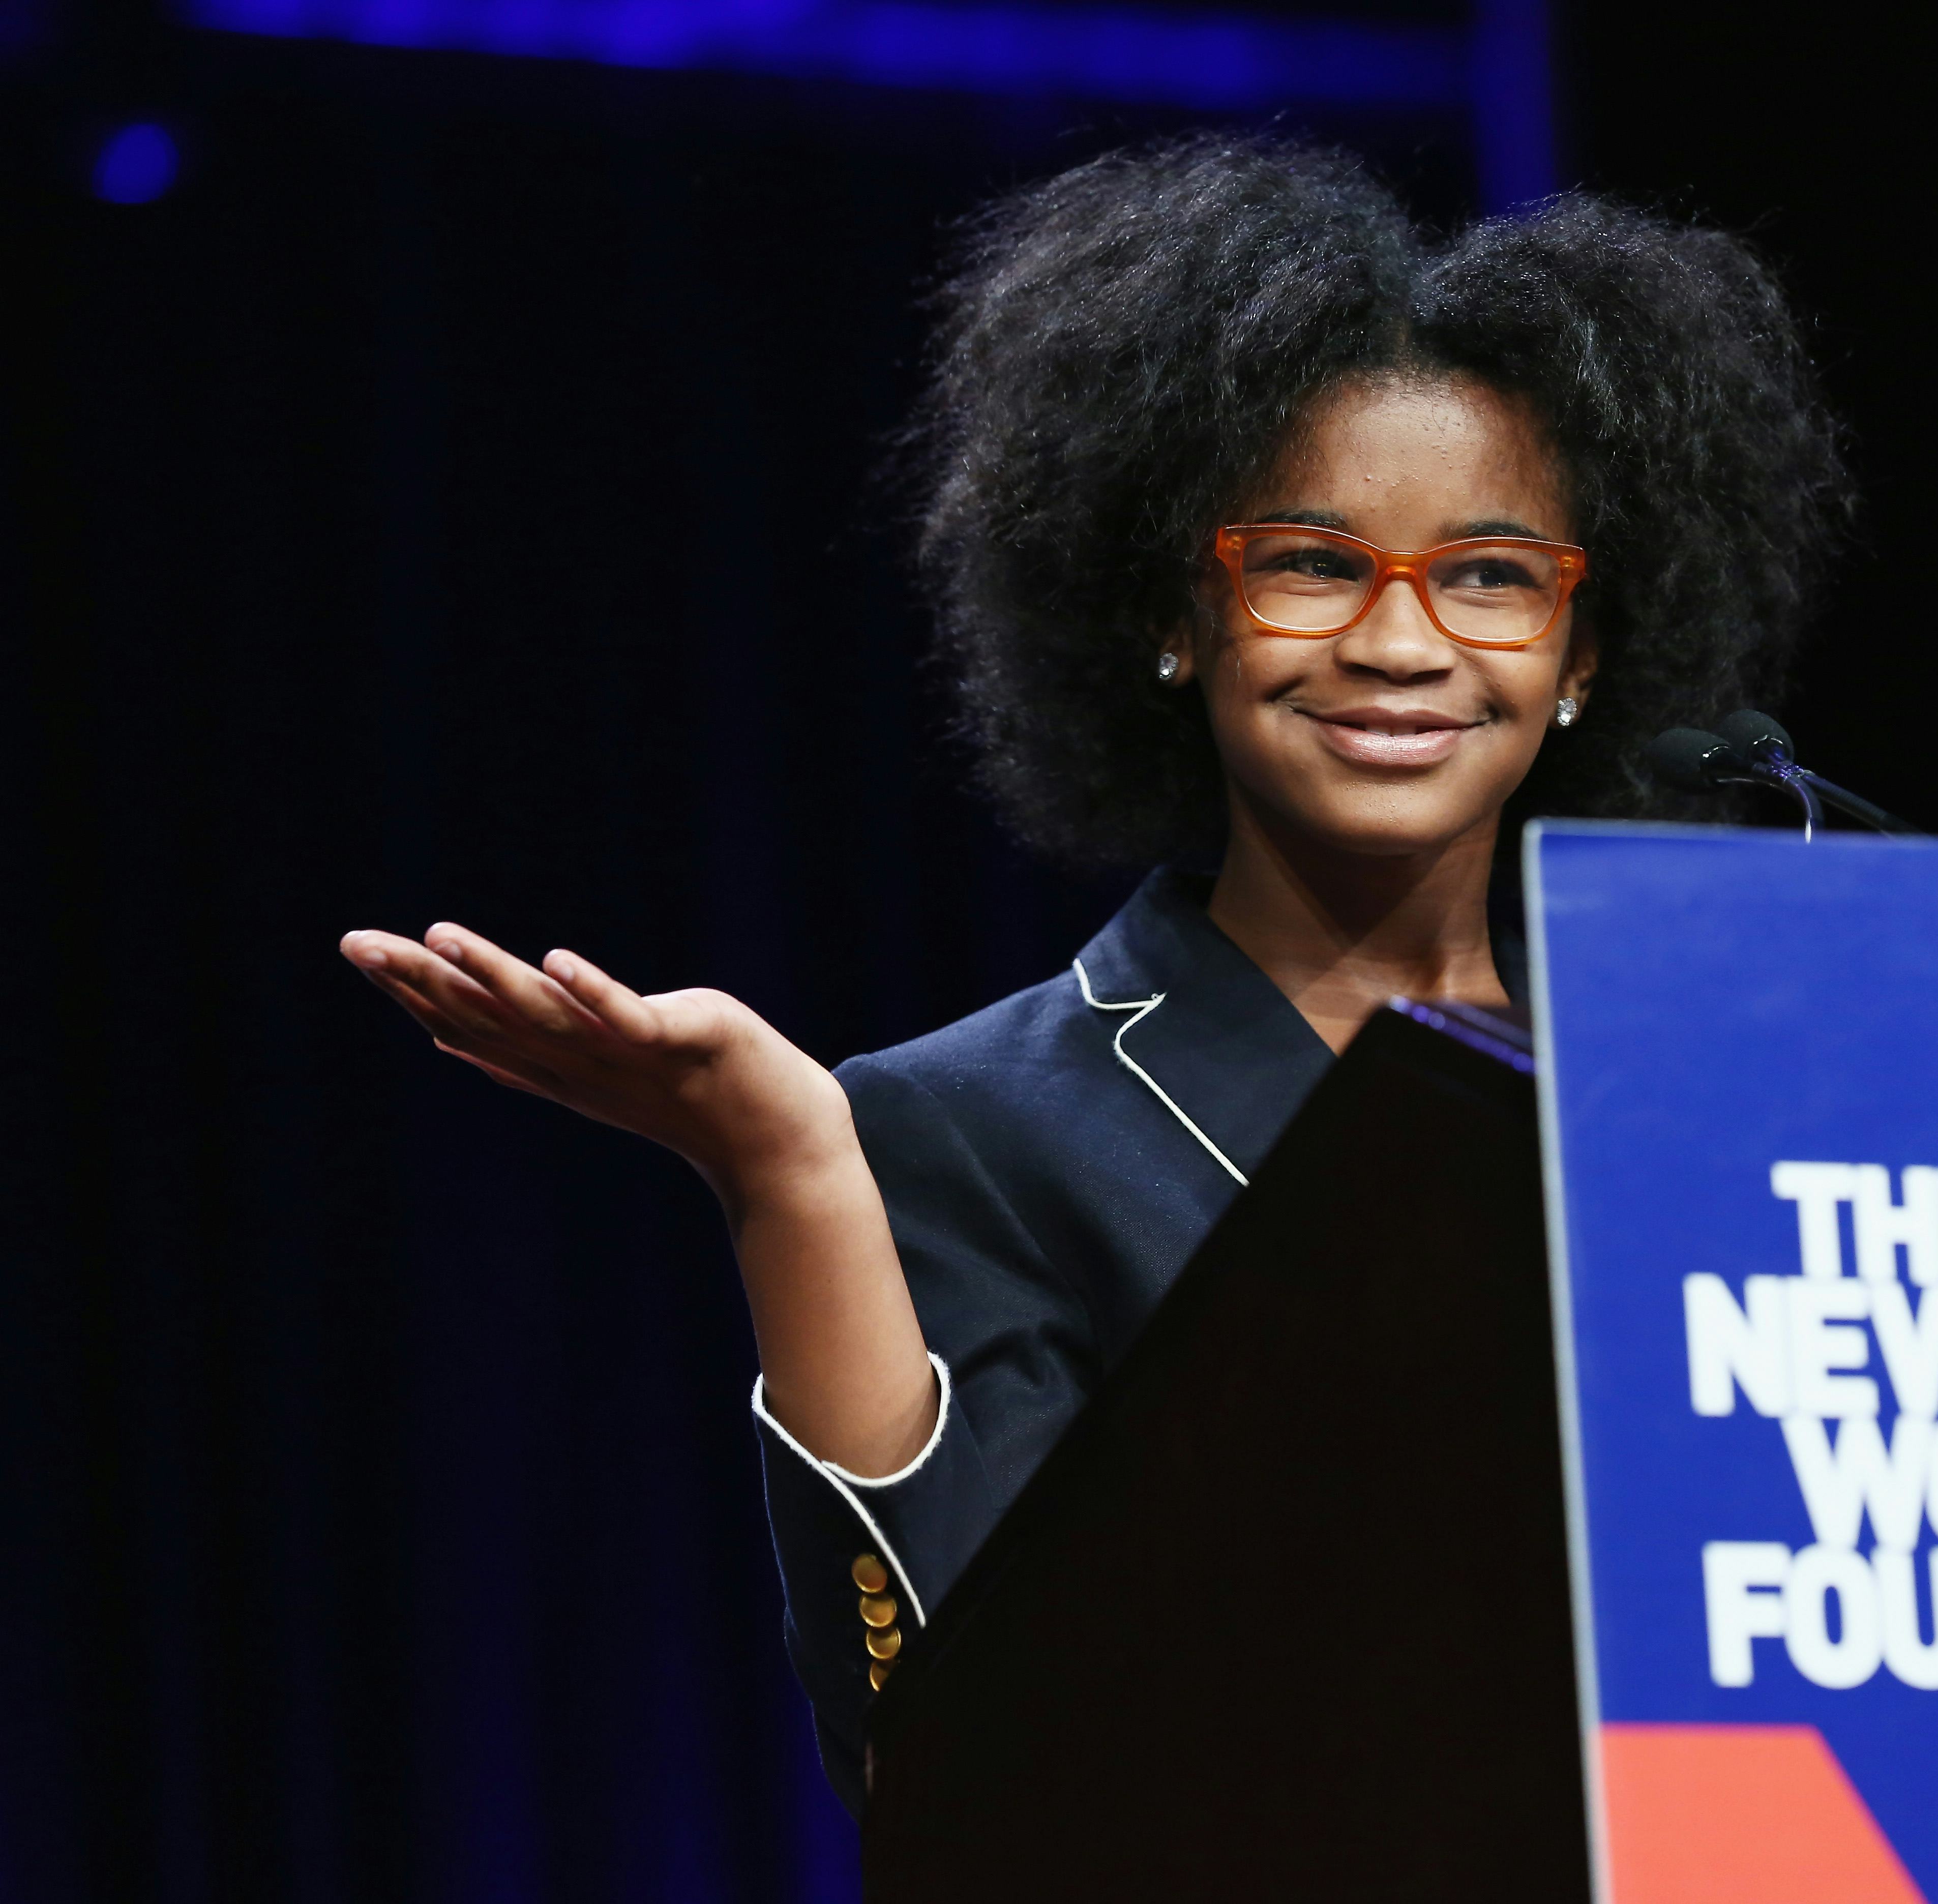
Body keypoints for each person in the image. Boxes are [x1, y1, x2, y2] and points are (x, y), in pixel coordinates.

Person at [337, 136, 1847, 1807]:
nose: (1400, 641)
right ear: (1172, 619)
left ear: (1581, 653)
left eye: (1490, 576)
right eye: (1310, 563)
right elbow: (933, 1753)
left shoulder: (1693, 1084)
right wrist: (787, 1171)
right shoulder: (976, 1129)